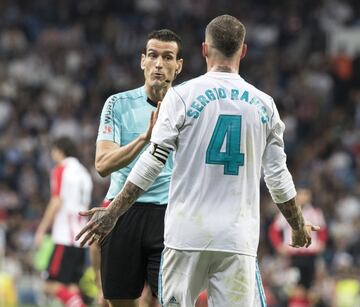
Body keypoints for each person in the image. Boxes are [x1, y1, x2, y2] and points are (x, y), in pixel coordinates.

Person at [76, 15, 320, 307]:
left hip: (183, 234)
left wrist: (113, 211)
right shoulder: (264, 104)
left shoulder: (181, 96)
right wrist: (296, 223)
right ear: (243, 51)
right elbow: (278, 177)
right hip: (236, 237)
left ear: (204, 49)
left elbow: (153, 160)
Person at [89, 29, 183, 307]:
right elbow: (102, 165)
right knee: (120, 302)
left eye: (168, 57)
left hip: (168, 215)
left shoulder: (190, 107)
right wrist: (144, 139)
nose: (159, 64)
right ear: (142, 61)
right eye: (152, 55)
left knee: (173, 301)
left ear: (179, 66)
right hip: (121, 212)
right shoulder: (117, 104)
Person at [35, 137, 93, 307]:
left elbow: (56, 201)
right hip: (82, 238)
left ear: (60, 151)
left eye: (53, 151)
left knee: (48, 285)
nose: (52, 155)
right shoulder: (84, 173)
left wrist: (41, 229)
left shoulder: (61, 169)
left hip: (64, 237)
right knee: (72, 286)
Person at [269, 187, 327, 305]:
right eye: (301, 194)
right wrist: (278, 245)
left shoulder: (315, 212)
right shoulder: (287, 211)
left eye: (306, 194)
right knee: (293, 287)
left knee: (310, 289)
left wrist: (321, 243)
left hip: (311, 255)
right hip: (293, 256)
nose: (303, 197)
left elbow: (323, 230)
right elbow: (274, 230)